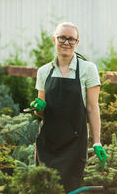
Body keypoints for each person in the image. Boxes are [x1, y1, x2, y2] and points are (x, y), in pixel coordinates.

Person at [30, 22, 107, 194]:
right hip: (47, 144)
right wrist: (38, 107)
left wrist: (97, 142)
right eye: (62, 38)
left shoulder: (88, 69)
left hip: (74, 144)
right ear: (54, 40)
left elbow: (93, 108)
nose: (66, 42)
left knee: (70, 189)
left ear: (77, 43)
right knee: (44, 188)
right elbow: (41, 113)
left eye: (71, 39)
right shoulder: (44, 71)